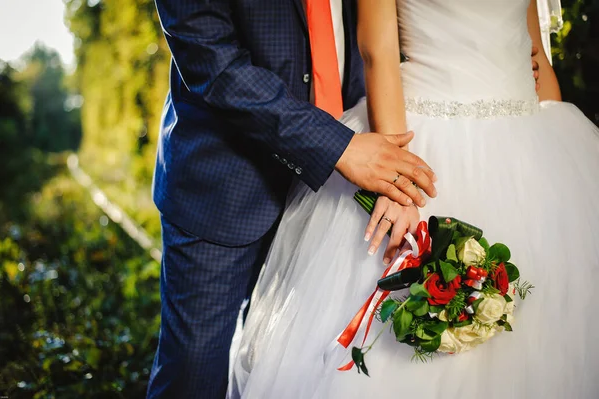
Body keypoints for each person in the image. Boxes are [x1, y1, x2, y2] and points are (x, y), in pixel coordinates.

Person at [230, 0, 599, 397]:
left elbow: (536, 51)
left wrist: (560, 157)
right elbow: (378, 52)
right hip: (427, 138)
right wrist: (399, 178)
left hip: (531, 141)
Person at [147, 1, 439, 398]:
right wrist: (340, 148)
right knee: (193, 373)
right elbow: (214, 67)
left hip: (340, 193)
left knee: (297, 368)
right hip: (225, 185)